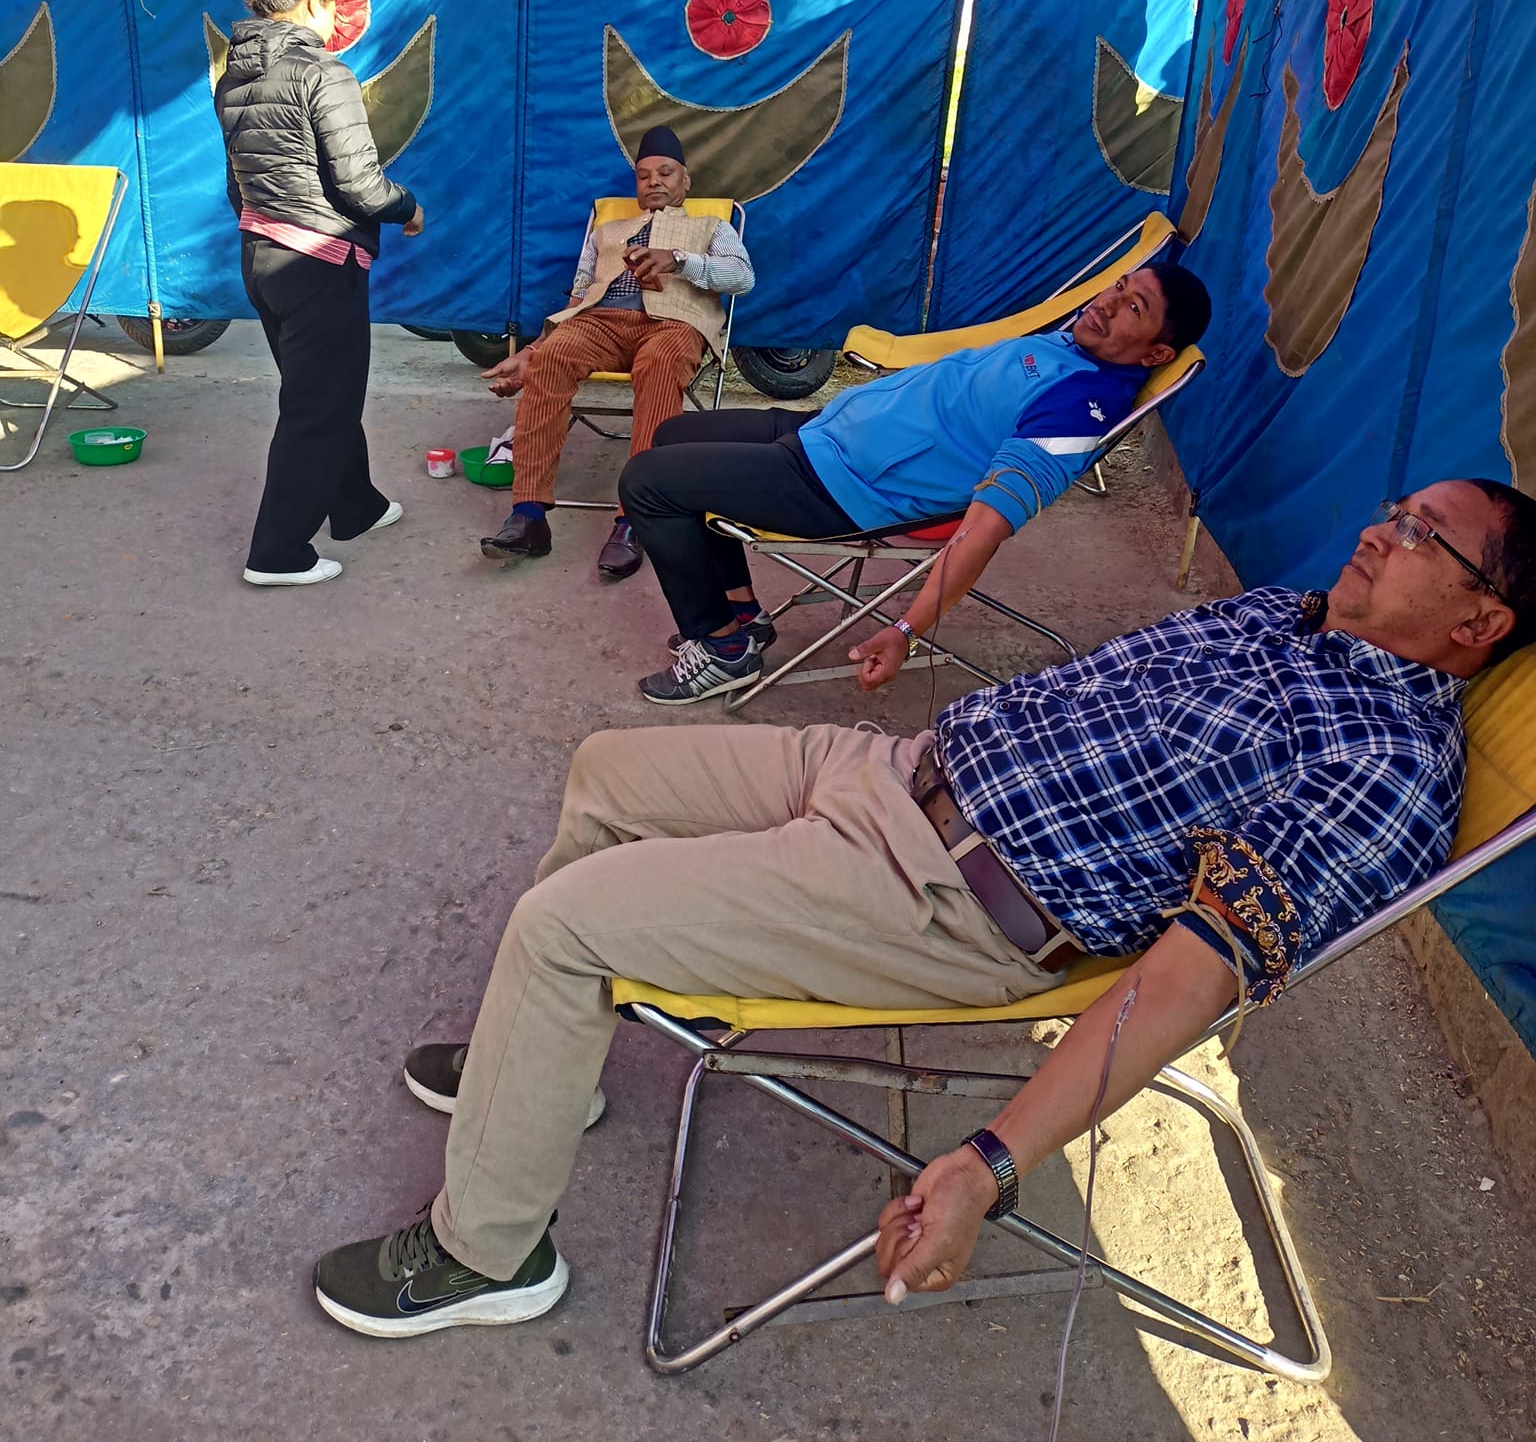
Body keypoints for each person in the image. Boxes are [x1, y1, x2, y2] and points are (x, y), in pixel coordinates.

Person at [312, 476, 1535, 1339]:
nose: (1379, 531)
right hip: (896, 771)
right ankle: (541, 1070)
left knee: (564, 923)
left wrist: (990, 1163)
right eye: (1393, 509)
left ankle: (485, 1252)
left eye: (1420, 534)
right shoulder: (1289, 616)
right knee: (607, 769)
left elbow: (1188, 978)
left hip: (943, 896)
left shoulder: (1385, 765)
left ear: (1481, 620)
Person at [620, 261, 1211, 705]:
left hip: (844, 485)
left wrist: (907, 629)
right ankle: (742, 616)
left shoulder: (1077, 411)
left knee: (647, 482)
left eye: (1134, 308)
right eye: (1118, 287)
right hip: (829, 432)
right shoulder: (1075, 343)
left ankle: (722, 648)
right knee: (672, 435)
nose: (1108, 304)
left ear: (1156, 353)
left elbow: (986, 527)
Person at [215, 0, 423, 587]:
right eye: (333, 9)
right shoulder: (324, 74)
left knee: (323, 392)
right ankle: (276, 551)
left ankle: (356, 505)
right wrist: (408, 207)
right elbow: (361, 186)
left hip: (262, 256)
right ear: (313, 2)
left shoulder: (234, 77)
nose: (336, 23)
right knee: (317, 408)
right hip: (317, 263)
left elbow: (237, 183)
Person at [478, 126, 754, 582]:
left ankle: (635, 519)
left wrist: (680, 260)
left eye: (665, 172)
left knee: (661, 365)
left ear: (686, 181)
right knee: (551, 359)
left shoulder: (711, 227)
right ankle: (528, 516)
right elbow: (579, 295)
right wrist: (534, 350)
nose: (654, 181)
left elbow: (743, 278)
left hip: (673, 323)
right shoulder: (607, 231)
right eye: (643, 176)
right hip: (601, 322)